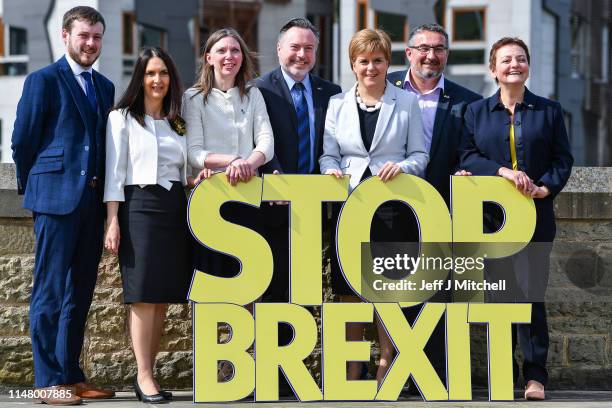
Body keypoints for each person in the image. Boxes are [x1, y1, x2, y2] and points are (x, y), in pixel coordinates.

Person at [11, 6, 115, 406]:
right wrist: (37, 186)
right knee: (50, 292)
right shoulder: (43, 80)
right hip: (55, 200)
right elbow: (23, 141)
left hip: (92, 201)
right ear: (66, 35)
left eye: (96, 37)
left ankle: (71, 375)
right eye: (84, 36)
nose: (90, 44)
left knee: (80, 294)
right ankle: (47, 379)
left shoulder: (105, 87)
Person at [459, 37, 573, 401]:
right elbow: (466, 156)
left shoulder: (549, 110)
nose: (514, 65)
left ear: (528, 66)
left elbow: (562, 160)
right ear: (494, 69)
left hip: (535, 214)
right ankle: (502, 371)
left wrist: (545, 187)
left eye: (521, 59)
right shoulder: (475, 112)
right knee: (499, 294)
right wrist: (501, 172)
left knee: (531, 294)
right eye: (506, 59)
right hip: (492, 218)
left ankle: (535, 376)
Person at [319, 28, 428, 384]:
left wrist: (404, 167)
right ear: (353, 64)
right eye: (363, 61)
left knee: (387, 286)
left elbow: (420, 156)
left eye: (378, 60)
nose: (371, 67)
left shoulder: (406, 102)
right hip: (349, 205)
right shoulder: (336, 104)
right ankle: (352, 366)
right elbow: (328, 154)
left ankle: (387, 359)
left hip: (391, 206)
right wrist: (330, 169)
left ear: (388, 62)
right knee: (350, 289)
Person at [387, 23, 482, 390]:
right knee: (396, 289)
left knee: (441, 293)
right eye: (423, 48)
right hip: (392, 208)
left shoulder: (467, 101)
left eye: (439, 49)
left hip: (444, 208)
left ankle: (437, 374)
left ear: (447, 55)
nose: (431, 55)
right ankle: (400, 370)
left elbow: (473, 150)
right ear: (408, 52)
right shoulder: (384, 88)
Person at [254, 17, 341, 394]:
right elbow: (257, 140)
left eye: (308, 48)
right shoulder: (260, 89)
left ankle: (291, 371)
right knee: (269, 290)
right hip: (272, 205)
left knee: (302, 292)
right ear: (279, 49)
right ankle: (265, 372)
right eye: (295, 47)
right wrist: (277, 178)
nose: (301, 55)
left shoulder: (331, 92)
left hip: (314, 208)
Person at [104, 46, 193, 404]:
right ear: (140, 77)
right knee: (141, 296)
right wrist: (112, 221)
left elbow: (186, 168)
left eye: (164, 73)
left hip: (174, 208)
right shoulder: (121, 117)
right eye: (151, 73)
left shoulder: (178, 119)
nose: (158, 80)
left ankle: (150, 372)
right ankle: (143, 376)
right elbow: (114, 173)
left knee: (160, 299)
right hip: (138, 207)